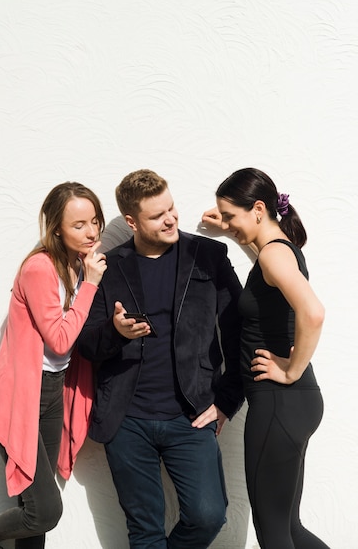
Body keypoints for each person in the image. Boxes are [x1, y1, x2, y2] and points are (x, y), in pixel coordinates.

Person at [76, 169, 244, 549]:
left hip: (191, 415)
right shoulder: (109, 266)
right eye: (157, 215)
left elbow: (237, 329)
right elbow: (85, 343)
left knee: (208, 516)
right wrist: (115, 334)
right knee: (144, 531)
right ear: (132, 221)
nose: (170, 219)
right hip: (127, 419)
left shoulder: (209, 255)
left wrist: (227, 401)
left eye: (171, 208)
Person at [0, 182, 107, 549]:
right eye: (78, 225)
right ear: (56, 228)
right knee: (44, 511)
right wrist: (90, 285)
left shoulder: (78, 263)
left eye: (94, 221)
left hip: (53, 390)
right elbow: (59, 339)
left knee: (34, 506)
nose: (90, 232)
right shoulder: (40, 268)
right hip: (21, 395)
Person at [202, 167, 330, 549]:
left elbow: (313, 312)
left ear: (259, 208)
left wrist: (290, 371)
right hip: (298, 403)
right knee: (290, 529)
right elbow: (267, 272)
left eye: (230, 215)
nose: (225, 222)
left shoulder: (274, 256)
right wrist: (232, 230)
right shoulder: (277, 251)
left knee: (274, 534)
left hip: (279, 401)